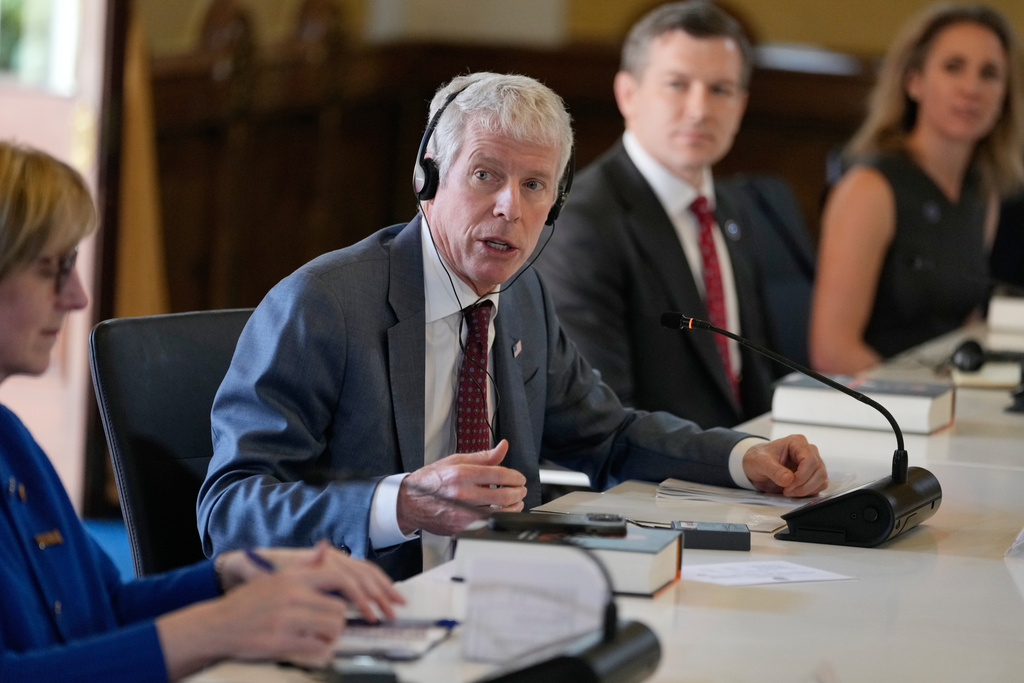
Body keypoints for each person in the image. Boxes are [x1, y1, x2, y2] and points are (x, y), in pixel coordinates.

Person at [197, 71, 829, 582]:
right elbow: (229, 510)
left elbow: (606, 439)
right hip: (359, 614)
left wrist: (746, 458)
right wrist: (399, 503)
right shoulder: (324, 305)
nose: (510, 208)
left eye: (534, 185)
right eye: (485, 176)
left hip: (503, 599)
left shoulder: (521, 297)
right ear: (428, 179)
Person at [0, 141, 404, 681]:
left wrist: (229, 578)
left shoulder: (10, 439)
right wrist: (223, 625)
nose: (76, 296)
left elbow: (103, 610)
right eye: (53, 267)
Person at [535, 0, 815, 430]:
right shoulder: (585, 224)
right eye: (677, 84)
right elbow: (602, 420)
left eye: (720, 90)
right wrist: (735, 462)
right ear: (628, 94)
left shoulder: (733, 206)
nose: (700, 109)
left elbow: (752, 372)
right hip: (656, 484)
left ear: (740, 105)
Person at [809, 3, 1024, 374]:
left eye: (989, 74)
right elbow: (832, 351)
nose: (971, 88)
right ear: (914, 81)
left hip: (944, 402)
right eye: (953, 67)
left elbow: (963, 323)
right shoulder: (869, 188)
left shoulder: (983, 190)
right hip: (880, 407)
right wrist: (924, 396)